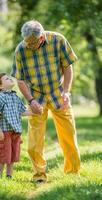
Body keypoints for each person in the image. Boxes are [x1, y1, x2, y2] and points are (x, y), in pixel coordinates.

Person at [11, 20, 80, 183]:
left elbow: (68, 66)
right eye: (26, 42)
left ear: (41, 38)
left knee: (68, 136)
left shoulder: (58, 40)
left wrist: (67, 91)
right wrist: (31, 100)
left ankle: (72, 172)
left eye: (32, 43)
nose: (28, 45)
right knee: (34, 142)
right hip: (36, 97)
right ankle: (39, 175)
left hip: (58, 95)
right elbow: (20, 80)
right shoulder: (21, 49)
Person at [0, 73, 32, 178]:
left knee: (12, 155)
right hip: (4, 131)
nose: (10, 78)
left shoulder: (16, 97)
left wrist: (34, 111)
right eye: (6, 79)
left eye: (9, 77)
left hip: (15, 131)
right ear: (1, 86)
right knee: (3, 154)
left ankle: (9, 175)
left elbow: (22, 112)